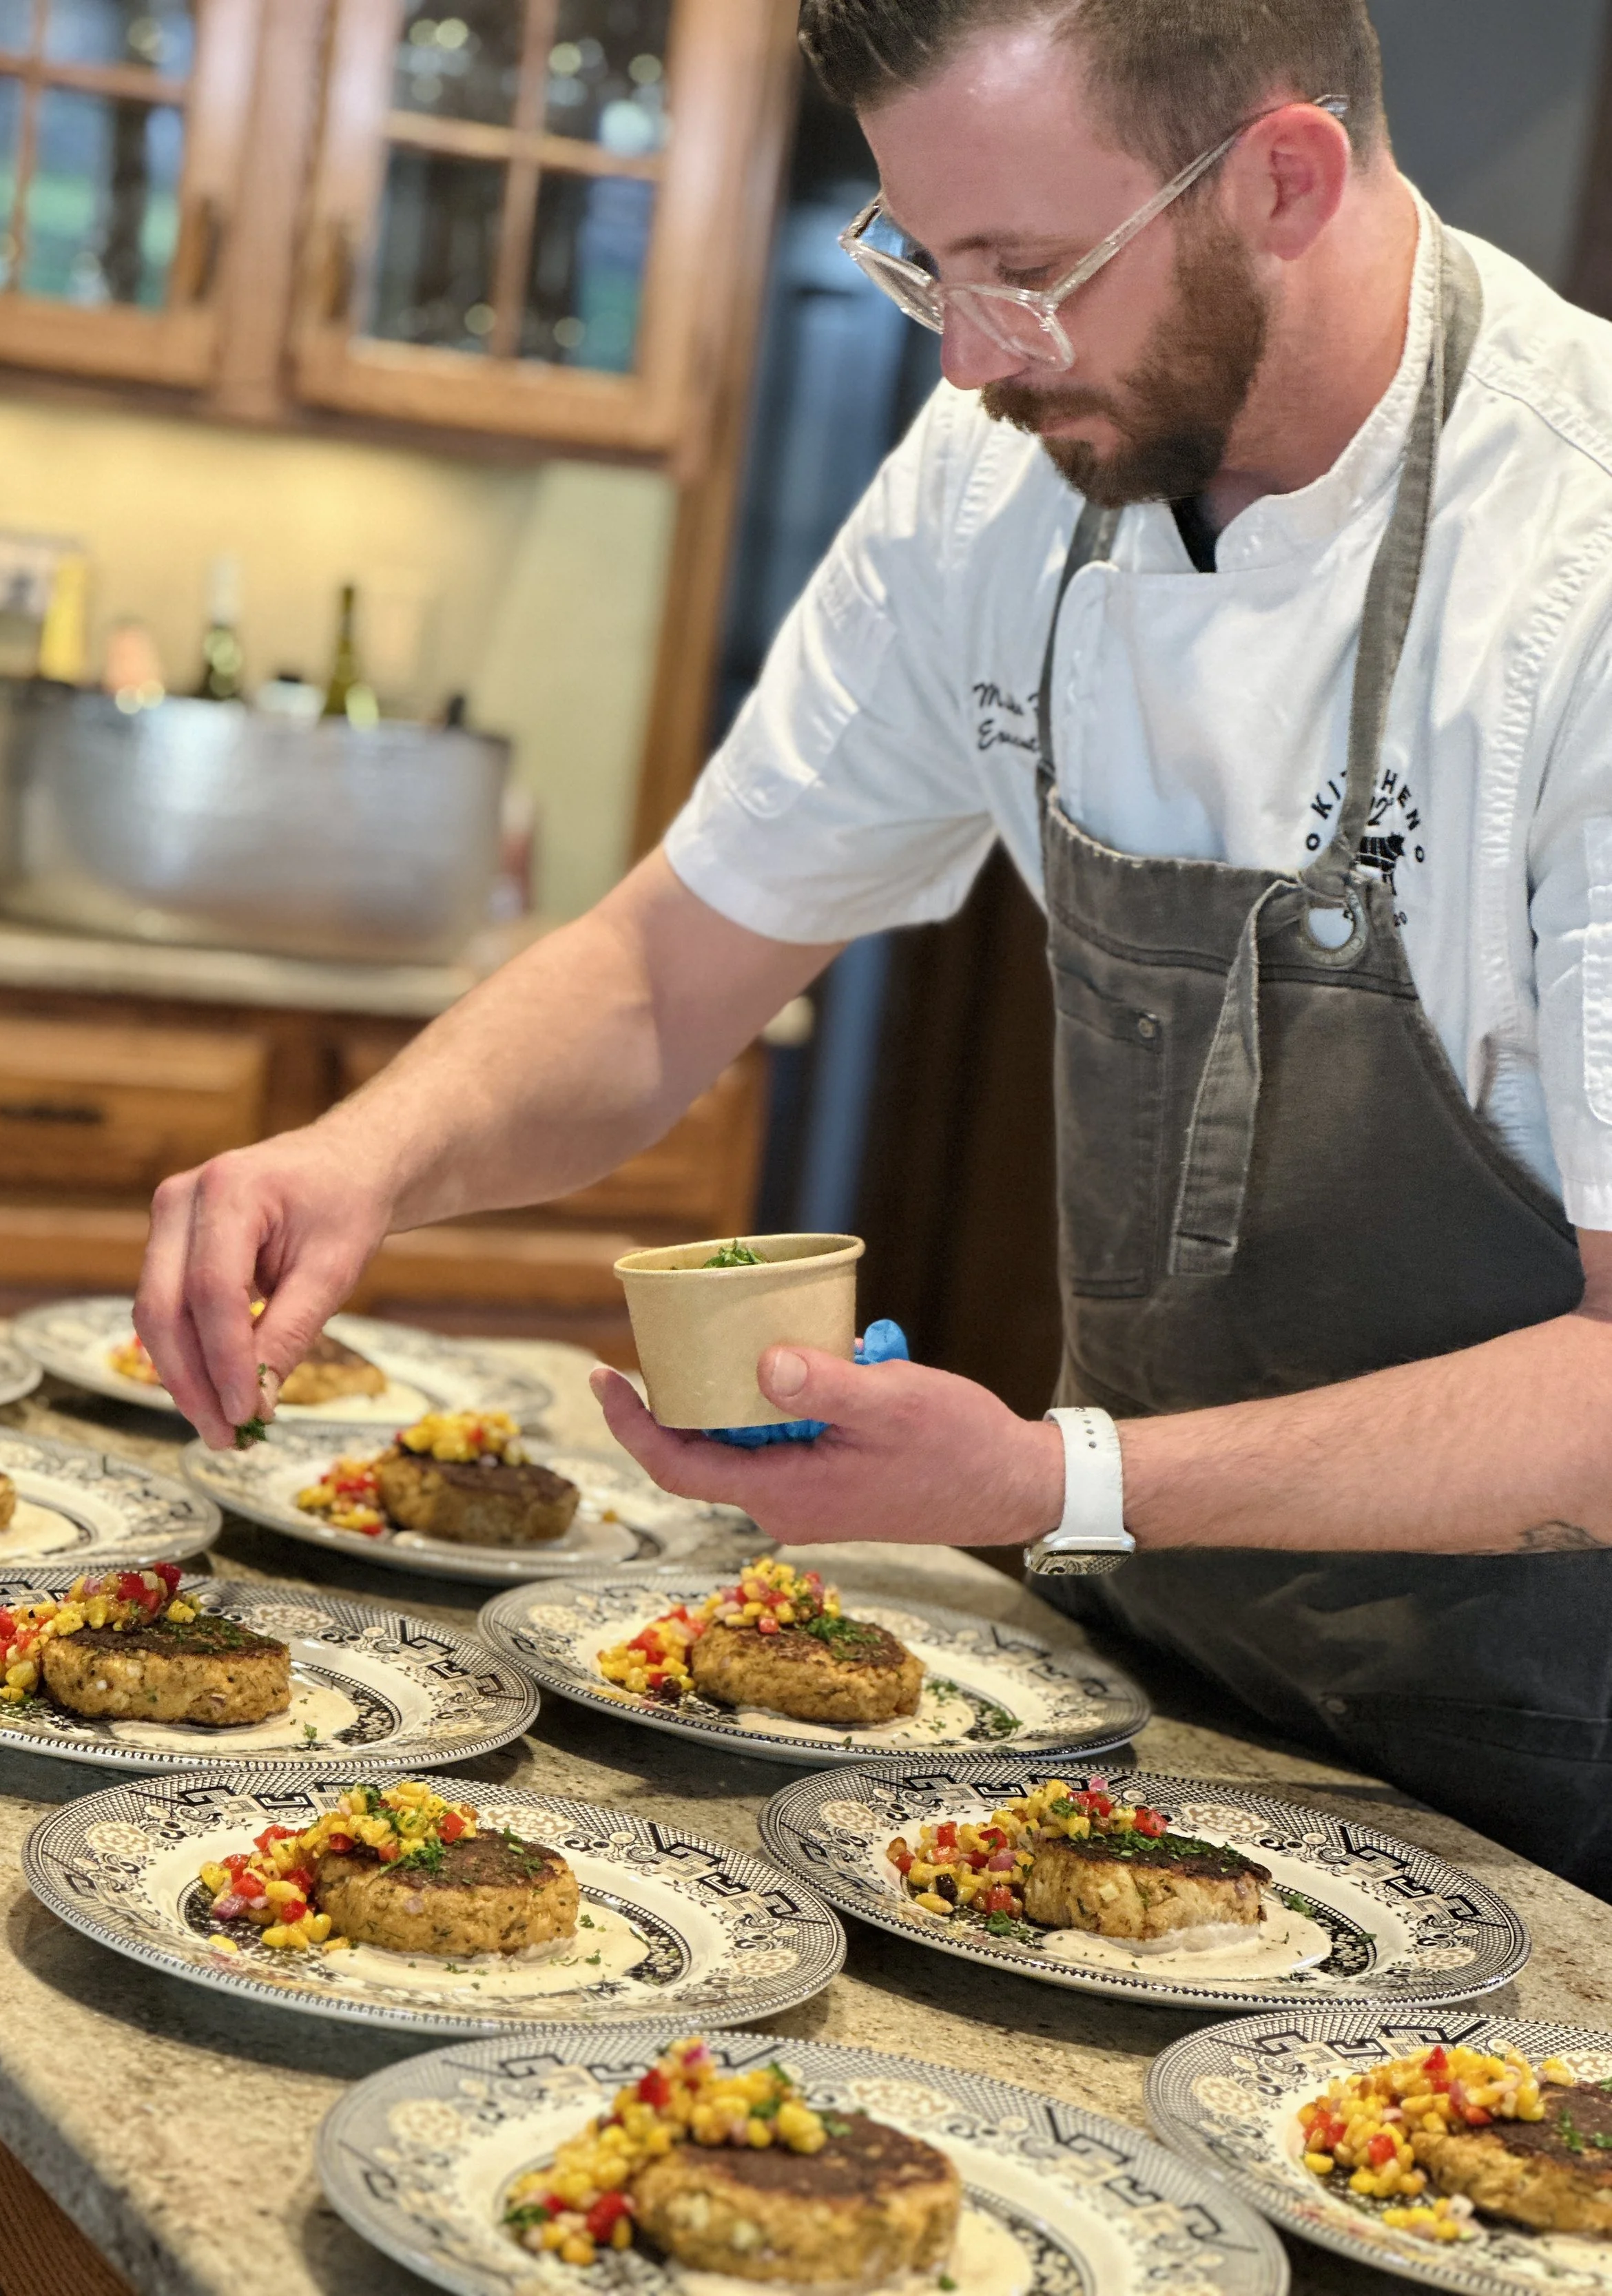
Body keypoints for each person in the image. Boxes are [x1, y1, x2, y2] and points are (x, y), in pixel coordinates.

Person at [136, 0, 1612, 1894]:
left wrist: (1055, 1481)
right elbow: (675, 961)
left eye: (1027, 272)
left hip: (1545, 1799)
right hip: (1158, 1707)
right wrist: (364, 1154)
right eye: (922, 263)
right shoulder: (998, 479)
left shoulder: (1573, 576)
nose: (977, 359)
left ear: (1283, 178)